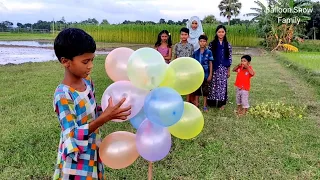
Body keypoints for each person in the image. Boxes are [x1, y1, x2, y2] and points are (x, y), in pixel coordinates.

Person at [52, 28, 131, 180]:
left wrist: (108, 111)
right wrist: (105, 118)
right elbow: (72, 134)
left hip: (93, 148)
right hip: (76, 159)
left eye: (92, 60)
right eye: (85, 61)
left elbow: (92, 111)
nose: (90, 66)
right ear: (65, 61)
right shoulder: (63, 95)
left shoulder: (88, 82)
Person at [207, 25, 232, 110]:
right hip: (214, 67)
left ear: (225, 33)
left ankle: (222, 103)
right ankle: (211, 102)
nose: (221, 34)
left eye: (222, 32)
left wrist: (228, 70)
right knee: (213, 85)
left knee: (222, 85)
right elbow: (209, 58)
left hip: (223, 68)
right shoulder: (212, 44)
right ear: (216, 33)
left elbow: (229, 58)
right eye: (219, 32)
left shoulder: (228, 45)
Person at [191, 35, 213, 112]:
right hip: (197, 75)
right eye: (201, 41)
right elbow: (193, 64)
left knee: (205, 90)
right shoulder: (195, 53)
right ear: (198, 42)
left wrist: (210, 74)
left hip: (206, 74)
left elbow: (210, 63)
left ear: (206, 42)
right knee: (197, 90)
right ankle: (196, 104)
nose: (202, 43)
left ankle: (204, 106)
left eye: (204, 41)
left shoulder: (209, 52)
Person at [174, 27, 194, 103]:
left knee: (187, 84)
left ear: (188, 36)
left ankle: (188, 100)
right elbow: (175, 57)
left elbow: (192, 58)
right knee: (179, 84)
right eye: (182, 34)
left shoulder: (191, 46)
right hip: (179, 68)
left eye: (185, 34)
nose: (184, 36)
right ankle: (178, 100)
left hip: (188, 68)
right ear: (180, 35)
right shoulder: (176, 45)